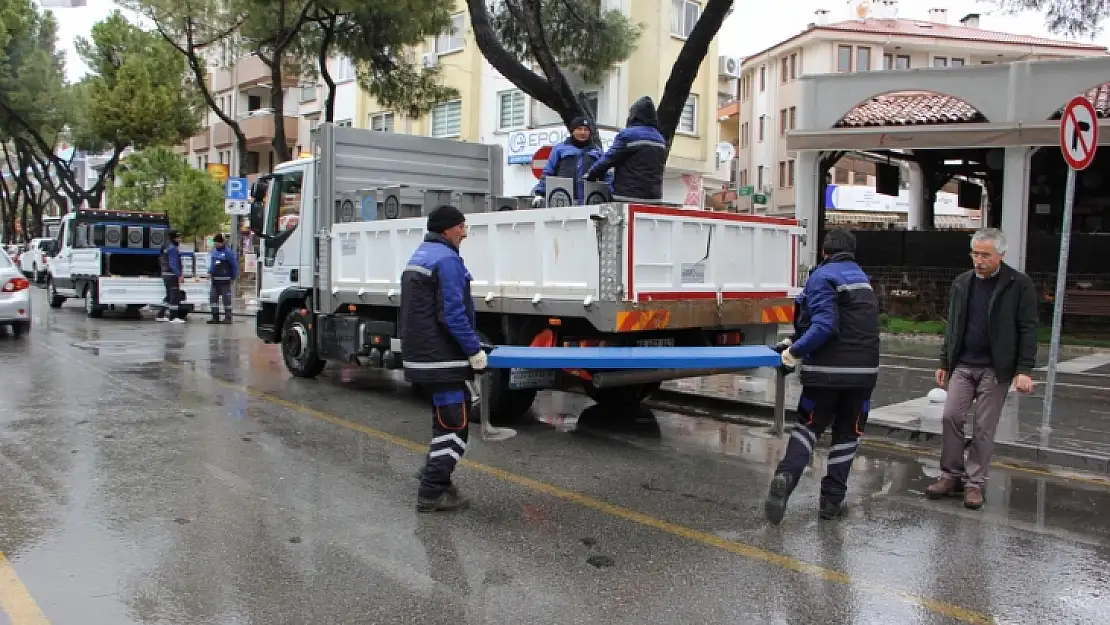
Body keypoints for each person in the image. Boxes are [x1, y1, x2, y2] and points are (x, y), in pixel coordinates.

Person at [764, 228, 880, 523]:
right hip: (863, 375)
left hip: (826, 374)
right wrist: (797, 339)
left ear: (824, 252)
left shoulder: (821, 276)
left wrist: (794, 353)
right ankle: (831, 503)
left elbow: (826, 325)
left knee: (808, 428)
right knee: (847, 436)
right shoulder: (861, 278)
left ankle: (786, 478)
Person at [926, 228, 1037, 509]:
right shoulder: (962, 283)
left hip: (995, 368)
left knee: (984, 428)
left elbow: (1028, 328)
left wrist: (1024, 369)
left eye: (985, 255)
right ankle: (950, 474)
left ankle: (974, 483)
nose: (979, 260)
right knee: (951, 416)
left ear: (1001, 254)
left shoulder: (1018, 284)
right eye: (975, 253)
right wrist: (944, 362)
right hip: (963, 363)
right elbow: (952, 325)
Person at [401, 205, 487, 513]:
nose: (464, 233)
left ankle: (435, 476)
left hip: (423, 358)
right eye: (461, 227)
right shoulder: (447, 260)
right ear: (447, 229)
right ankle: (432, 491)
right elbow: (453, 314)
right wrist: (473, 350)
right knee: (454, 428)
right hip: (441, 360)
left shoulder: (421, 255)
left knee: (445, 423)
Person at [584, 96, 667, 201]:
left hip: (628, 197)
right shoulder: (660, 138)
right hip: (654, 199)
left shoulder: (628, 135)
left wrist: (591, 175)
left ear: (634, 115)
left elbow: (608, 159)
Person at [532, 117, 611, 207]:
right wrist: (539, 193)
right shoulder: (559, 149)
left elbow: (607, 177)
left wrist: (611, 195)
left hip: (590, 204)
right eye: (579, 129)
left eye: (586, 129)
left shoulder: (598, 152)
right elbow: (548, 172)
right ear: (572, 131)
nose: (583, 132)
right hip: (564, 202)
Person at [207, 234, 239, 325]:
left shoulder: (228, 252)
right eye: (215, 243)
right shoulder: (214, 252)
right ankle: (215, 317)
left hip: (225, 280)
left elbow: (234, 266)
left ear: (221, 242)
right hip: (215, 281)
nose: (215, 244)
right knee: (213, 299)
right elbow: (212, 264)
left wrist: (233, 277)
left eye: (217, 242)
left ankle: (228, 318)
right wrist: (210, 272)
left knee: (226, 300)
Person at [156, 230, 185, 323]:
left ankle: (160, 315)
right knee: (174, 295)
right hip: (172, 274)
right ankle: (173, 317)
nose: (180, 239)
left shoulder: (165, 246)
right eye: (179, 237)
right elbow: (173, 264)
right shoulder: (173, 248)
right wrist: (179, 274)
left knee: (168, 295)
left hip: (165, 274)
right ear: (174, 238)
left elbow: (161, 260)